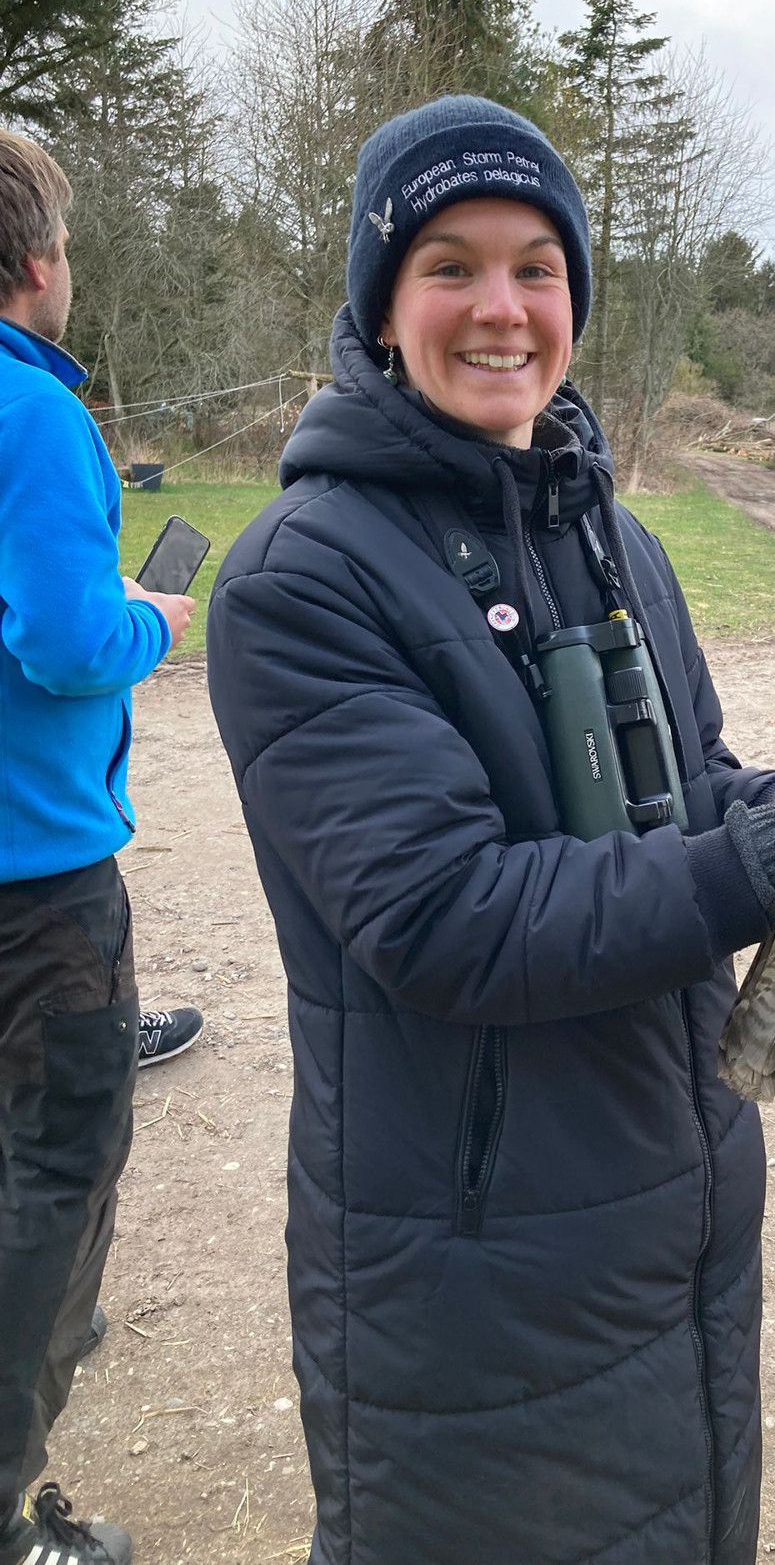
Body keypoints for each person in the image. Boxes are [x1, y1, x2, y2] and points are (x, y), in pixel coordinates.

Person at [205, 94, 775, 1565]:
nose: (501, 307)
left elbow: (693, 788)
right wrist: (774, 855)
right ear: (382, 299)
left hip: (673, 1214)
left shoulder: (616, 532)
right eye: (451, 266)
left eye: (537, 265)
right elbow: (446, 915)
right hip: (477, 1270)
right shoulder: (301, 579)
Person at [0, 130, 203, 1565]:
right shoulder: (36, 415)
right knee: (61, 1168)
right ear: (35, 263)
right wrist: (156, 620)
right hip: (41, 884)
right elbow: (72, 641)